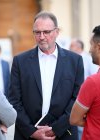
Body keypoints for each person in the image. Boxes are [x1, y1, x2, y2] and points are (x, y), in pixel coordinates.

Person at [8, 11, 84, 140]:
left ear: (57, 32)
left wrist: (56, 129)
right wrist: (31, 131)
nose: (41, 37)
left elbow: (77, 99)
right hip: (28, 135)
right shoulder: (20, 61)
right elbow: (14, 100)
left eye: (46, 32)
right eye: (37, 32)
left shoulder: (74, 61)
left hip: (64, 134)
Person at [70, 39, 99, 140]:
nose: (69, 48)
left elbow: (95, 76)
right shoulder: (70, 59)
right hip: (73, 96)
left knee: (81, 124)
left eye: (72, 46)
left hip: (86, 97)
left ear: (78, 47)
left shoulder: (88, 59)